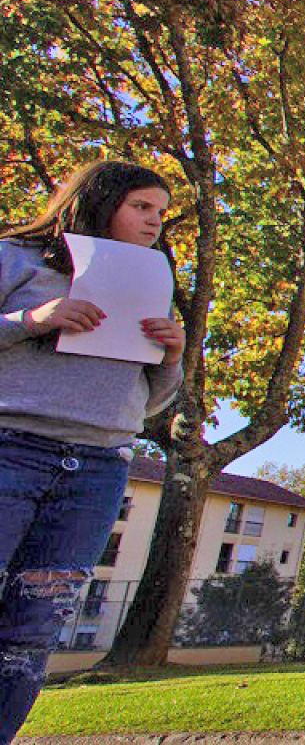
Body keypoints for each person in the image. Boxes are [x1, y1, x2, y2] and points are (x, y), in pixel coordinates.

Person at [0, 160, 184, 740]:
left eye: (161, 213)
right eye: (142, 207)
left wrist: (174, 355)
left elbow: (152, 402)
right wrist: (31, 319)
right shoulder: (17, 259)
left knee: (32, 631)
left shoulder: (155, 280)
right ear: (100, 201)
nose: (155, 222)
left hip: (98, 468)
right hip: (12, 448)